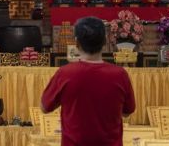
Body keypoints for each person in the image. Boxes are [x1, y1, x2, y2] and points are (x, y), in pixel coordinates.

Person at [41, 17, 135, 145]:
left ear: (77, 43)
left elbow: (45, 107)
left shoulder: (65, 73)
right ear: (104, 41)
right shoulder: (120, 75)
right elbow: (127, 112)